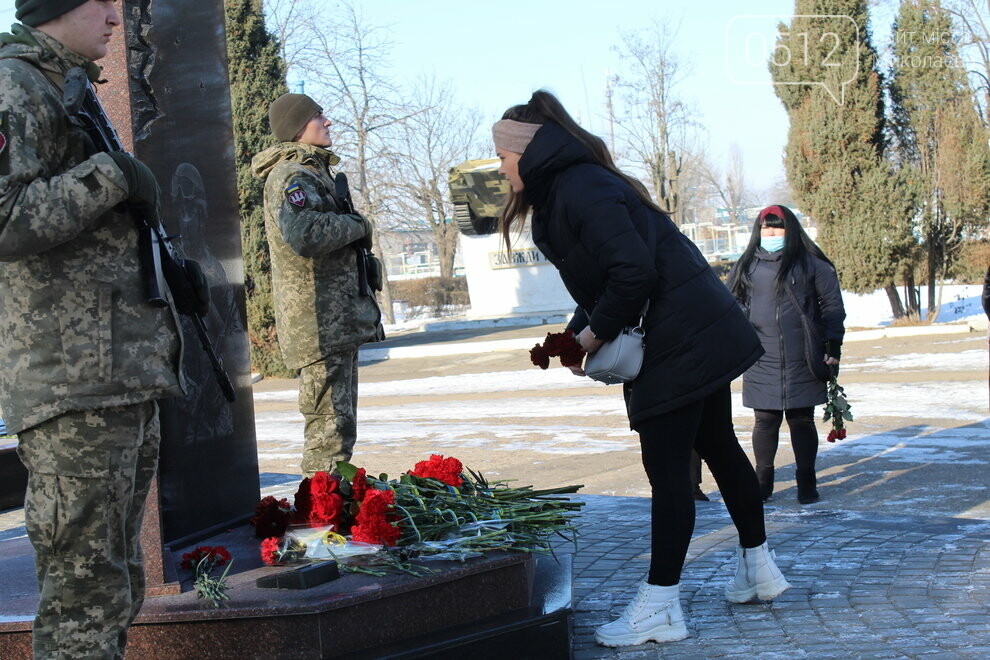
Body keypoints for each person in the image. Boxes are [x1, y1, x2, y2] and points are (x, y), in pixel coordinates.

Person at [493, 90, 790, 648]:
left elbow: (632, 275)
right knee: (720, 447)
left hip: (678, 342)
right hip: (695, 328)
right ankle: (759, 569)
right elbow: (610, 277)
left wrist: (590, 336)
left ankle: (660, 607)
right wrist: (574, 335)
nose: (502, 168)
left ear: (528, 153)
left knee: (671, 472)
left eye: (505, 157)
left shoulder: (578, 188)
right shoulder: (577, 185)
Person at [0, 1, 185, 657]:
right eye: (99, 1)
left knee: (109, 592)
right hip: (70, 381)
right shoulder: (14, 84)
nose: (115, 15)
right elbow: (5, 220)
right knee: (82, 604)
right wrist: (107, 176)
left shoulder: (69, 83)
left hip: (114, 375)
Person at [252, 93, 383, 477]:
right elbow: (306, 233)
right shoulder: (292, 175)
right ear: (297, 127)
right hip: (318, 325)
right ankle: (319, 523)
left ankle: (329, 515)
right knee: (327, 435)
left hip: (333, 321)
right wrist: (360, 225)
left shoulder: (310, 171)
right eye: (317, 116)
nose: (327, 122)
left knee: (337, 430)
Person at [726, 205, 845, 505]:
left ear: (790, 230)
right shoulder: (746, 265)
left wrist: (833, 346)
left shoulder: (811, 264)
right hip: (760, 357)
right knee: (764, 421)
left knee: (801, 420)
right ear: (758, 231)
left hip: (802, 356)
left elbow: (832, 307)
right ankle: (762, 481)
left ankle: (807, 480)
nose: (772, 234)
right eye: (767, 228)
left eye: (778, 228)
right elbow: (729, 304)